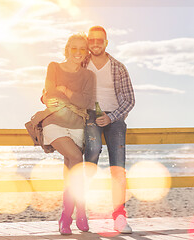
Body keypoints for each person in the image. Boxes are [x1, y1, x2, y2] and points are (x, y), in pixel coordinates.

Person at [41, 33, 96, 235]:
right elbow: (49, 92)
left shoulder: (89, 76)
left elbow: (85, 103)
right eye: (74, 48)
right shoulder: (53, 67)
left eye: (82, 49)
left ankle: (70, 215)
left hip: (77, 126)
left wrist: (63, 89)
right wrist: (61, 95)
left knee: (71, 172)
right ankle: (74, 212)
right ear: (67, 49)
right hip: (54, 122)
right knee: (75, 157)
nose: (78, 52)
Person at [83, 26, 135, 234]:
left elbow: (130, 99)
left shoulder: (118, 67)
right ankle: (82, 212)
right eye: (92, 40)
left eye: (100, 40)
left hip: (114, 117)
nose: (96, 44)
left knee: (118, 168)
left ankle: (119, 217)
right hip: (89, 116)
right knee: (92, 155)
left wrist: (111, 117)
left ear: (106, 42)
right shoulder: (82, 64)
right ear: (88, 42)